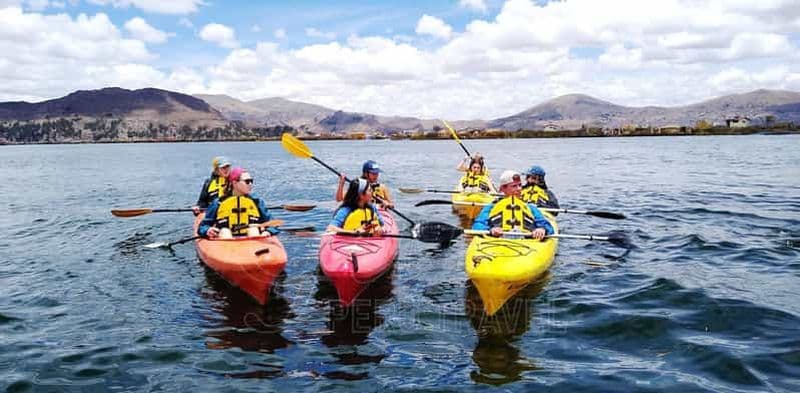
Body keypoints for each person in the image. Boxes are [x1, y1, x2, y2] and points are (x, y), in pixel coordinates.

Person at [197, 167, 279, 238]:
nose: (250, 184)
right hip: (225, 239)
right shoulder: (218, 203)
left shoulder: (256, 202)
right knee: (225, 232)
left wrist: (268, 232)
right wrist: (208, 230)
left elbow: (273, 223)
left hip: (252, 239)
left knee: (253, 230)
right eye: (247, 181)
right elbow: (203, 226)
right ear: (235, 183)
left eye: (251, 181)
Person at [472, 170, 554, 240]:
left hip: (525, 241)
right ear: (503, 189)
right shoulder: (491, 207)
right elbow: (478, 225)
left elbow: (547, 226)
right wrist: (491, 230)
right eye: (514, 186)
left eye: (520, 185)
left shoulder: (530, 207)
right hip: (499, 241)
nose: (519, 189)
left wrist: (542, 229)